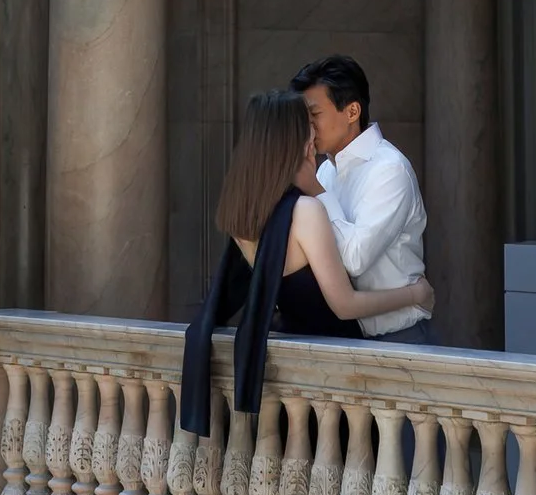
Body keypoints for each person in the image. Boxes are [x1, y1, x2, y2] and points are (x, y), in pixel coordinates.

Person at [178, 88, 431, 436]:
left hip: (293, 369)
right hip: (339, 375)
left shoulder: (242, 214)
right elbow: (345, 305)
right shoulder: (307, 211)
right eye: (309, 140)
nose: (314, 147)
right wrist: (415, 294)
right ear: (292, 144)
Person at [292, 52, 430, 338]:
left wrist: (316, 192)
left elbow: (355, 259)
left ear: (352, 112)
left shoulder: (389, 169)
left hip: (397, 337)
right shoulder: (326, 170)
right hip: (346, 334)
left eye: (314, 114)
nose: (308, 126)